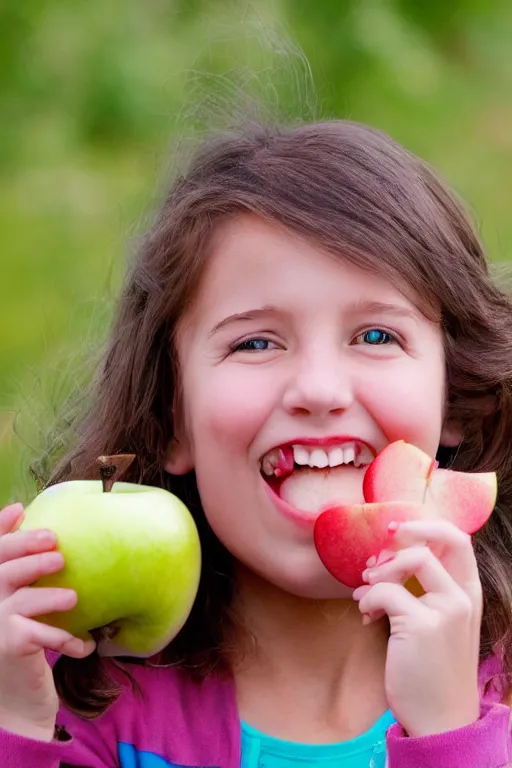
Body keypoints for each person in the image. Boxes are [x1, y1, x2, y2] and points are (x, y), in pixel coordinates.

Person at [1, 118, 512, 768]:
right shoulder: (80, 703)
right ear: (172, 417)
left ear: (457, 400)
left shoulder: (498, 705)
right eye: (256, 342)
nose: (320, 389)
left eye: (377, 336)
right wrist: (15, 723)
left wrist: (449, 737)